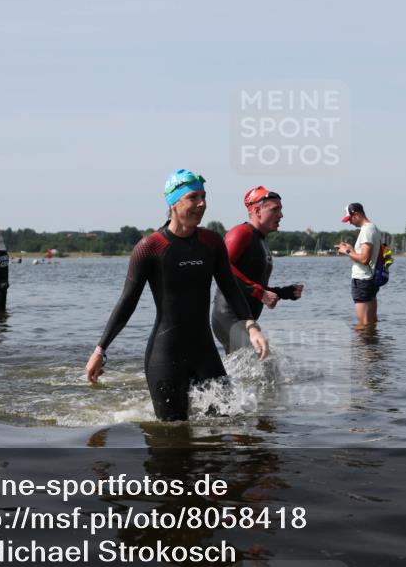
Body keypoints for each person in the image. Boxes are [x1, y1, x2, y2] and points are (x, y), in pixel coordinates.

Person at [85, 169, 270, 421]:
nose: (202, 203)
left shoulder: (212, 242)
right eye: (194, 197)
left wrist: (251, 326)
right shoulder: (150, 248)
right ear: (174, 202)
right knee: (171, 438)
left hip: (205, 353)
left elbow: (230, 288)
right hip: (165, 356)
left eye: (204, 196)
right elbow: (127, 302)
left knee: (225, 424)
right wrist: (100, 350)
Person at [211, 186, 304, 354]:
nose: (281, 215)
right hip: (229, 316)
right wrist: (260, 292)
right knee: (262, 363)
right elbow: (221, 268)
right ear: (257, 210)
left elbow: (250, 284)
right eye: (275, 209)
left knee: (250, 370)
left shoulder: (260, 240)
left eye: (281, 210)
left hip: (245, 320)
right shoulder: (241, 233)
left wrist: (283, 293)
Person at [335, 203, 381, 326]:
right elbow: (366, 257)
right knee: (371, 322)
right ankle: (372, 345)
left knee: (363, 324)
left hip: (363, 280)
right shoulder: (373, 228)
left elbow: (365, 259)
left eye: (350, 219)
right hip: (370, 279)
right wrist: (352, 250)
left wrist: (347, 251)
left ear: (356, 214)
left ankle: (361, 345)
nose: (350, 223)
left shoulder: (367, 230)